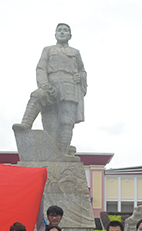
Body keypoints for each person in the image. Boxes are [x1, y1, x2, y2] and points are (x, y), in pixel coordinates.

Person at [13, 23, 87, 156]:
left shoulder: (75, 52)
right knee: (38, 96)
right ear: (55, 34)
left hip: (69, 88)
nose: (62, 32)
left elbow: (82, 71)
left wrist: (80, 77)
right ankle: (25, 124)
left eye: (65, 30)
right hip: (51, 86)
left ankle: (63, 153)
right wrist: (44, 83)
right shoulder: (48, 50)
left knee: (66, 121)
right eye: (60, 30)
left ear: (70, 35)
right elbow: (41, 68)